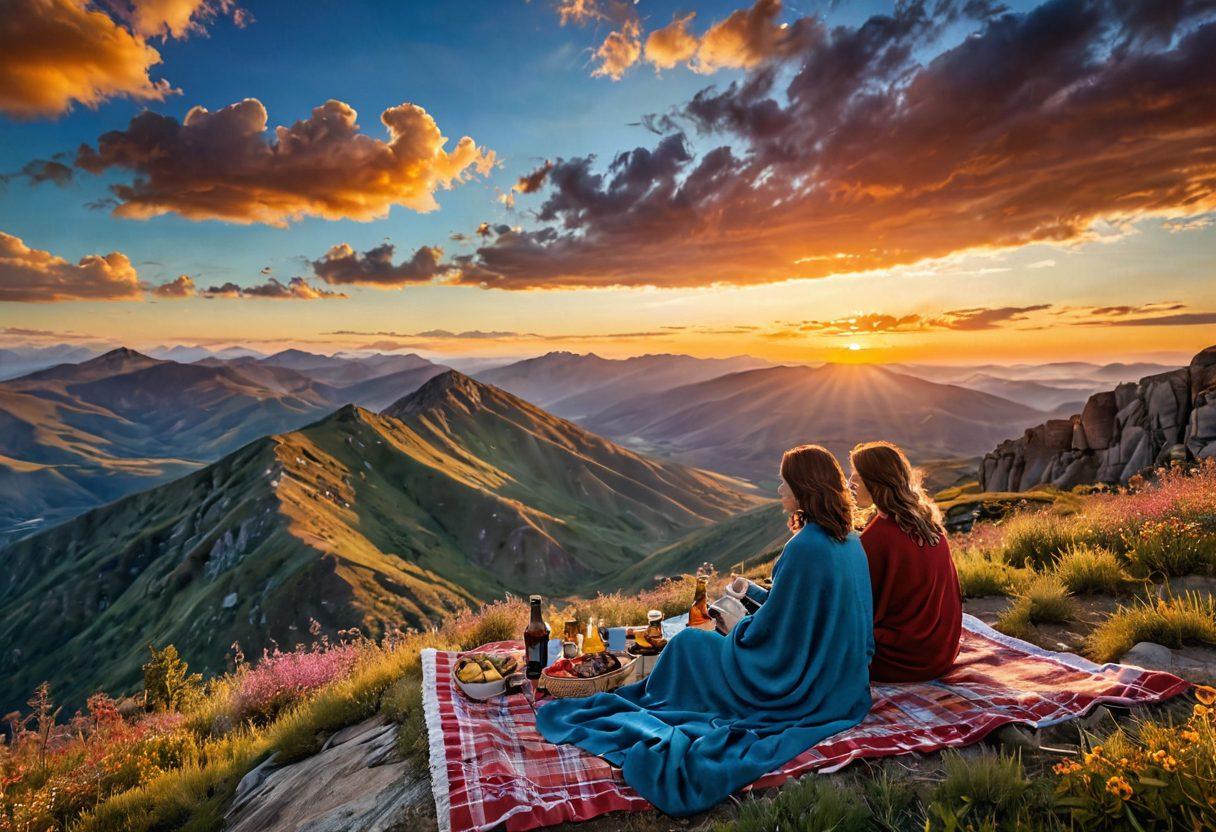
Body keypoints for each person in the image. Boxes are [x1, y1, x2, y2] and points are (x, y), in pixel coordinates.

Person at [535, 444, 874, 817]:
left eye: (785, 483)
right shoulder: (852, 541)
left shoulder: (804, 546)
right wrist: (755, 599)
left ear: (803, 488)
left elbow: (775, 633)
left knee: (690, 643)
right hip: (841, 680)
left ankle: (661, 701)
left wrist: (735, 629)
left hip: (796, 683)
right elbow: (807, 613)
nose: (780, 491)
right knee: (699, 640)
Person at [849, 441, 962, 683]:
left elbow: (855, 608)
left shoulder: (876, 538)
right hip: (941, 653)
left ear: (875, 481)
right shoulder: (929, 526)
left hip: (900, 661)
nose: (850, 483)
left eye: (857, 476)